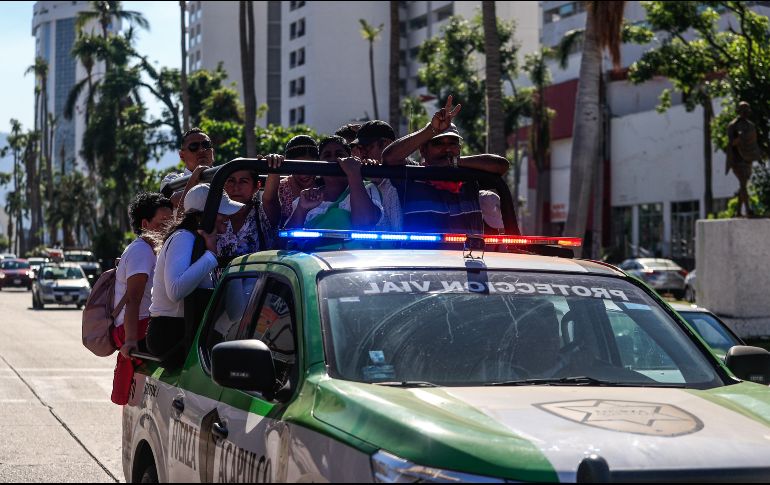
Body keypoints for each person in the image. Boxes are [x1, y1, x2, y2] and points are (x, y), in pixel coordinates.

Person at [381, 95, 510, 233]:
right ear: (423, 150)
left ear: (459, 148)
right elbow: (389, 158)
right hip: (421, 254)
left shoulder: (468, 176)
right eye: (438, 143)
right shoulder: (413, 175)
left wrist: (455, 162)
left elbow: (501, 165)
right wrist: (431, 130)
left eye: (452, 143)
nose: (447, 148)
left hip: (469, 254)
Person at [146, 184, 243, 360]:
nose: (228, 217)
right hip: (170, 334)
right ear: (204, 215)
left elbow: (236, 312)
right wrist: (211, 255)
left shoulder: (202, 241)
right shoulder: (183, 237)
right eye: (222, 212)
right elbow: (176, 290)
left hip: (188, 330)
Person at [111, 192, 174, 405]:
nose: (169, 228)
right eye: (163, 223)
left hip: (139, 326)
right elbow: (133, 299)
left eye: (172, 221)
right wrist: (130, 341)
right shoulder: (142, 252)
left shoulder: (148, 248)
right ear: (145, 224)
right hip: (137, 328)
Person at [285, 135, 383, 230]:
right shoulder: (306, 199)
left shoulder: (368, 189)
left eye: (339, 155)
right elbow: (286, 241)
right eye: (327, 155)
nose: (333, 159)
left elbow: (364, 224)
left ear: (350, 159)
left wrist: (354, 174)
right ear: (319, 163)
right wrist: (302, 209)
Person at [349, 120, 403, 231]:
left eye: (367, 147)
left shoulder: (394, 184)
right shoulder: (364, 182)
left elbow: (398, 236)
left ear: (386, 144)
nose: (362, 153)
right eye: (360, 148)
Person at [218, 169, 276, 261]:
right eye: (231, 181)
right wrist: (195, 177)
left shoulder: (263, 213)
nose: (236, 187)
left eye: (243, 181)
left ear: (257, 186)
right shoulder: (216, 214)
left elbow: (270, 199)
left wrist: (273, 164)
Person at [161, 128, 215, 209]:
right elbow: (174, 201)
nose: (201, 150)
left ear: (212, 152)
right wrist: (194, 178)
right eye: (194, 146)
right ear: (182, 156)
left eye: (206, 145)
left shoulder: (228, 174)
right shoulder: (172, 181)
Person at [274, 135, 320, 223]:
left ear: (317, 161)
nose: (303, 174)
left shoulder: (325, 185)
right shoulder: (280, 189)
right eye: (297, 167)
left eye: (308, 166)